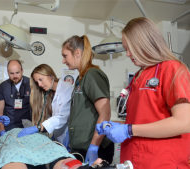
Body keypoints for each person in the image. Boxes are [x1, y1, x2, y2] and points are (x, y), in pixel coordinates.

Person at [96, 17, 190, 169]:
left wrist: (128, 130)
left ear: (144, 43)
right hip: (134, 161)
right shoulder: (139, 75)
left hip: (163, 162)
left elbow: (184, 122)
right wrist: (116, 126)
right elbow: (145, 119)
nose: (127, 54)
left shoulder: (172, 69)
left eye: (129, 48)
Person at [61, 35, 114, 166]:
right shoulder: (81, 78)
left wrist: (94, 147)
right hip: (81, 147)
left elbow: (105, 113)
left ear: (77, 53)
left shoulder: (92, 74)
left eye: (65, 55)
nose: (63, 61)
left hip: (96, 147)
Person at [17, 64, 74, 144]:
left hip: (67, 136)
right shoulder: (51, 93)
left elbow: (62, 117)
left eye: (41, 79)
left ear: (50, 76)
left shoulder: (67, 89)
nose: (39, 85)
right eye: (37, 82)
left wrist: (39, 127)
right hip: (58, 136)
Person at [0, 60, 31, 136]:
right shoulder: (3, 87)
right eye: (11, 73)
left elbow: (37, 108)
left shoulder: (31, 84)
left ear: (22, 71)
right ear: (8, 73)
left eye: (17, 73)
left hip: (27, 127)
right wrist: (2, 131)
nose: (15, 76)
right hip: (9, 128)